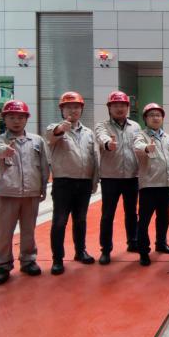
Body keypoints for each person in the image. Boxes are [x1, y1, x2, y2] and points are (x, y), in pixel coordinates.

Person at [0, 100, 49, 285]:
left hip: (31, 193)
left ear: (26, 119)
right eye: (12, 117)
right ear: (4, 119)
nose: (16, 121)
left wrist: (43, 187)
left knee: (29, 230)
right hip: (7, 193)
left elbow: (44, 166)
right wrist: (4, 151)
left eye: (20, 117)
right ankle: (3, 265)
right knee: (4, 232)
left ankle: (28, 260)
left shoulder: (37, 141)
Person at [46, 91, 99, 275]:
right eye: (68, 107)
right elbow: (52, 135)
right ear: (62, 110)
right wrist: (62, 128)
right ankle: (57, 259)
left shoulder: (89, 133)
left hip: (83, 183)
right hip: (63, 183)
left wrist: (94, 180)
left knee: (80, 220)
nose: (73, 110)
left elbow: (93, 158)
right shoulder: (55, 129)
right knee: (59, 221)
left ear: (81, 109)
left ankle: (80, 251)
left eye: (76, 107)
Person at [94, 90, 142, 265]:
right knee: (108, 215)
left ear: (127, 107)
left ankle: (133, 242)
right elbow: (102, 138)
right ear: (109, 108)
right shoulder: (102, 126)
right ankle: (106, 249)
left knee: (131, 212)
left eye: (122, 105)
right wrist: (108, 144)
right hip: (110, 178)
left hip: (131, 176)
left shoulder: (135, 126)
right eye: (115, 105)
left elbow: (139, 144)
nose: (119, 108)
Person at [133, 103, 169, 266]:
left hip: (165, 185)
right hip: (149, 186)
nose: (155, 118)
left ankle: (161, 243)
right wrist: (146, 147)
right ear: (145, 119)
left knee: (163, 217)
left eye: (158, 115)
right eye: (151, 115)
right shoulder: (141, 136)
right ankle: (143, 251)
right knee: (144, 220)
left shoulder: (168, 138)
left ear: (162, 118)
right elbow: (137, 147)